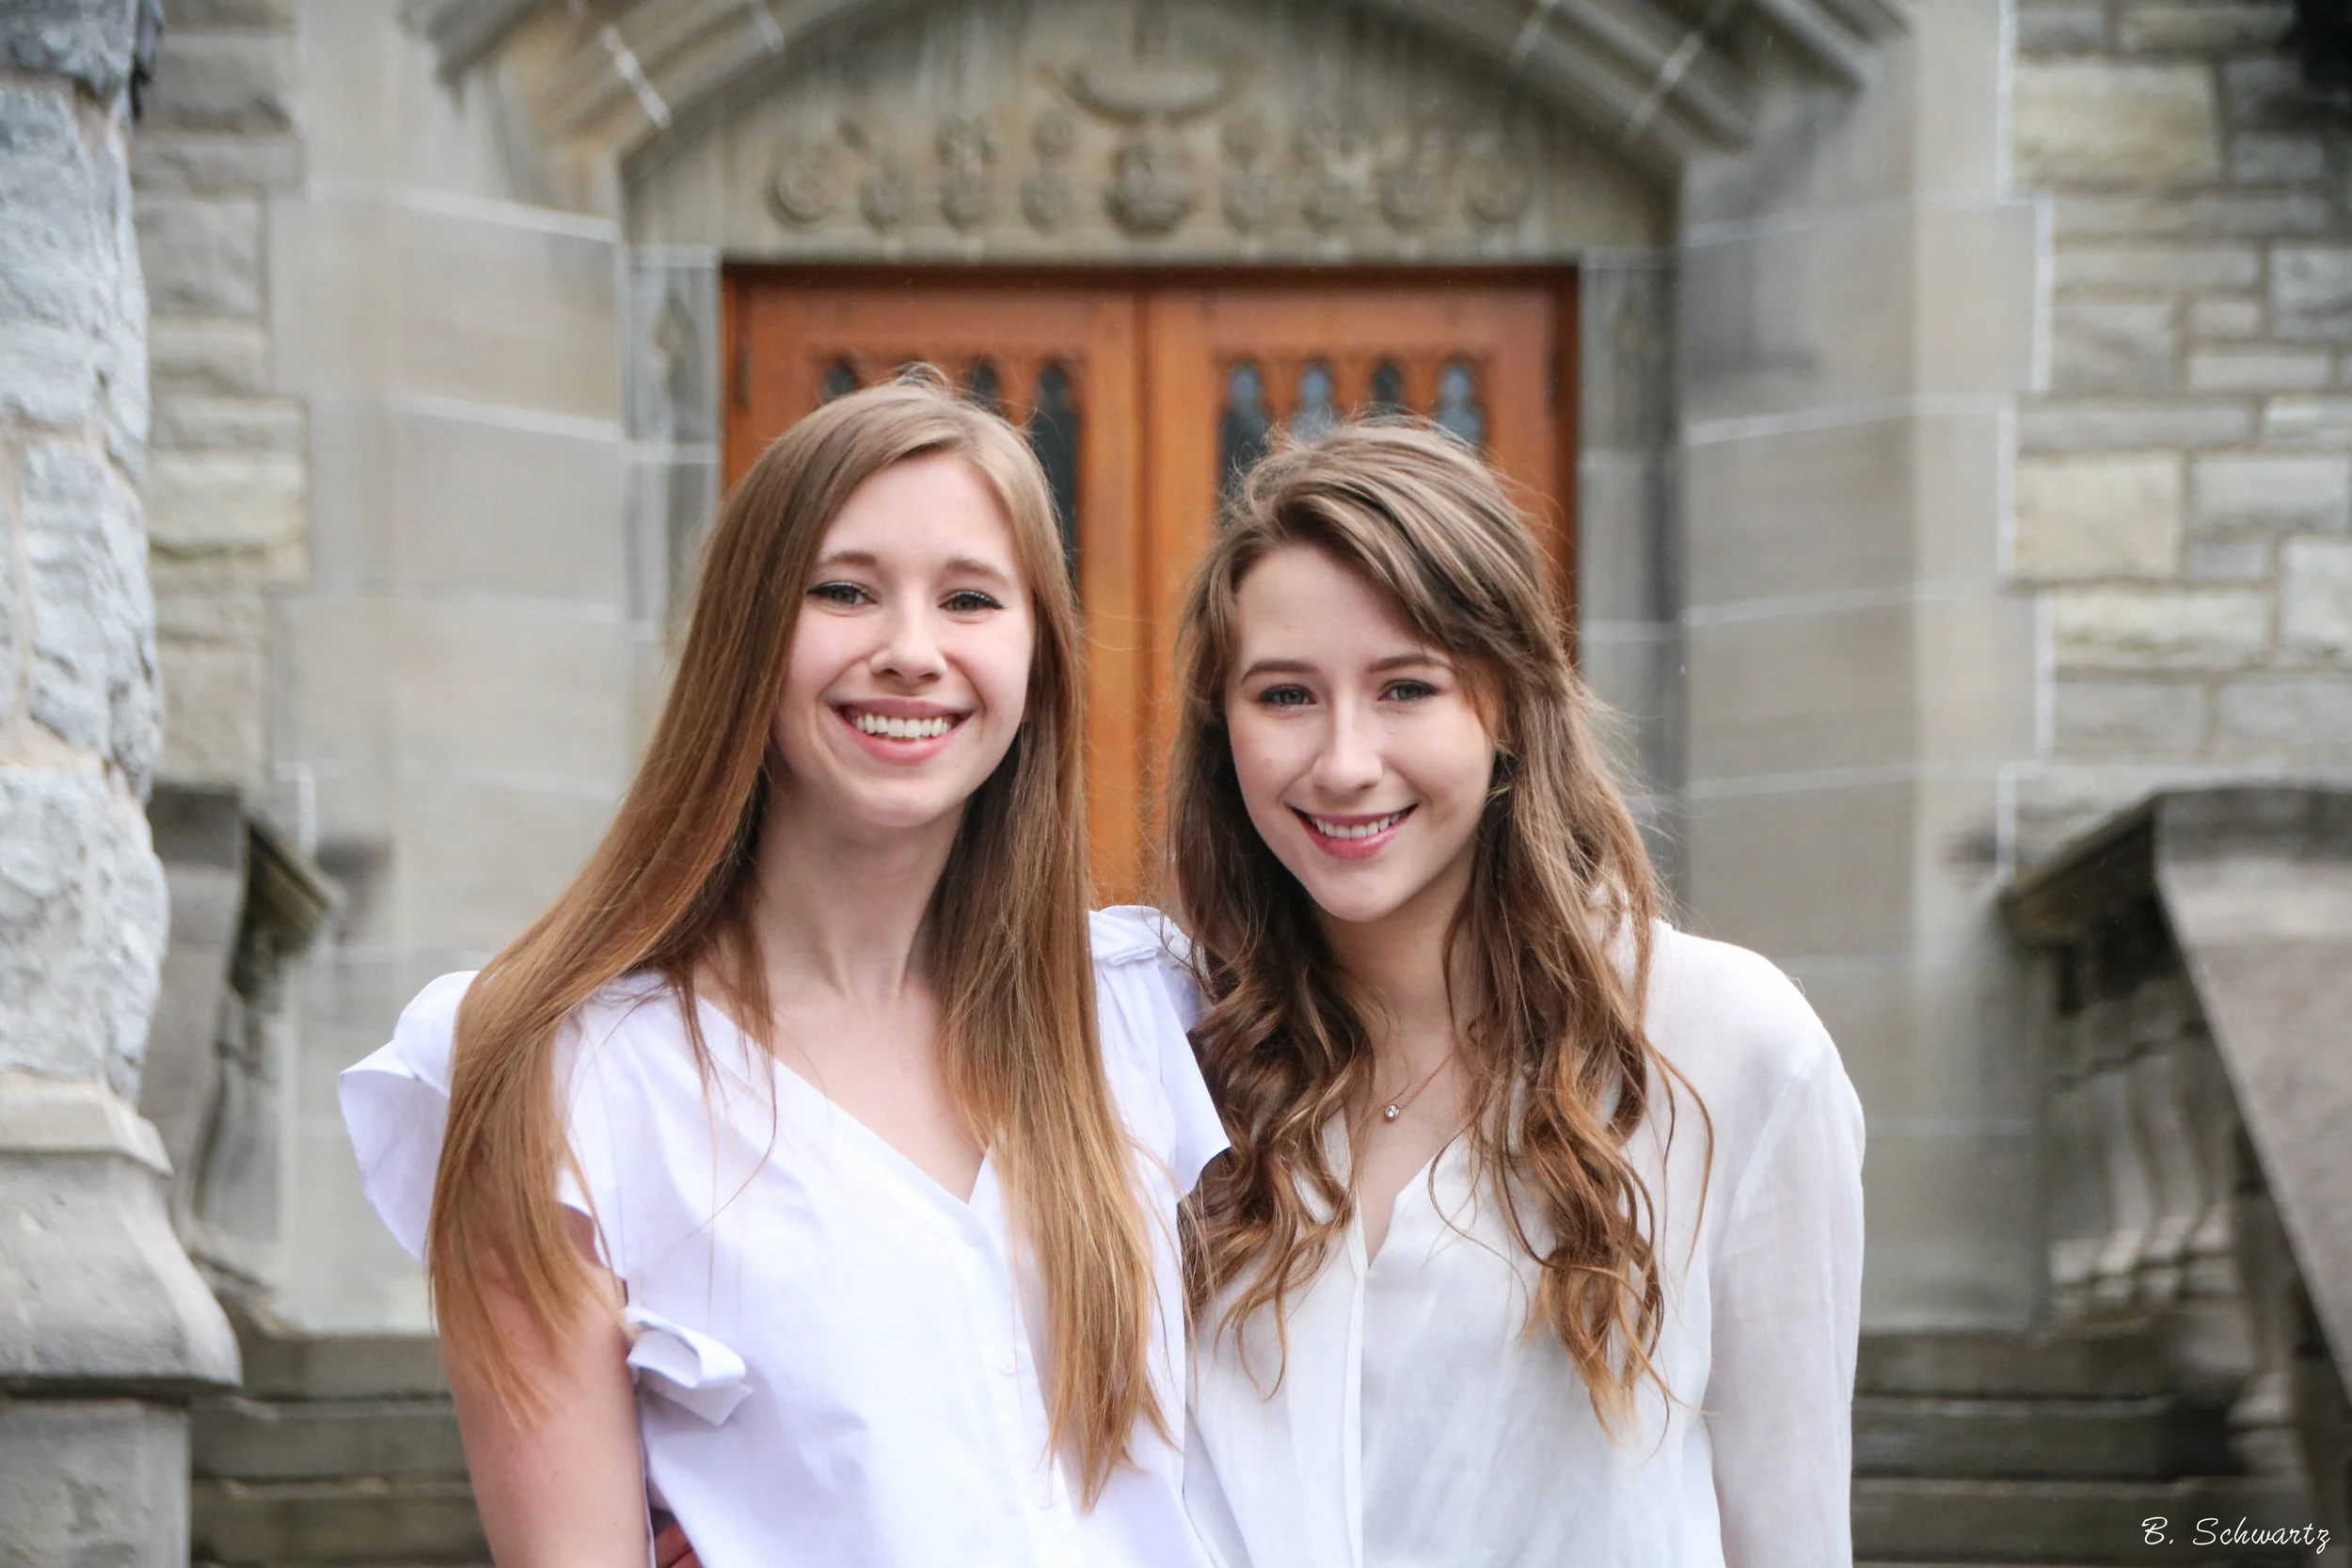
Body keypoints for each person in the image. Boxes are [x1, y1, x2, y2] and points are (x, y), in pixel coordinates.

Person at [340, 376, 1226, 1568]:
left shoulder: (1142, 1012)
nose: (911, 651)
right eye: (844, 590)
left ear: (1036, 657)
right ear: (749, 631)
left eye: (969, 597)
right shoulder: (558, 1080)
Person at [1168, 421, 1866, 1568]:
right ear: (1222, 728)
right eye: (1285, 694)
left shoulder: (1727, 1048)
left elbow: (1789, 1534)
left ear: (1506, 709)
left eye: (1406, 687)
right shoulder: (1178, 1054)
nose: (1343, 760)